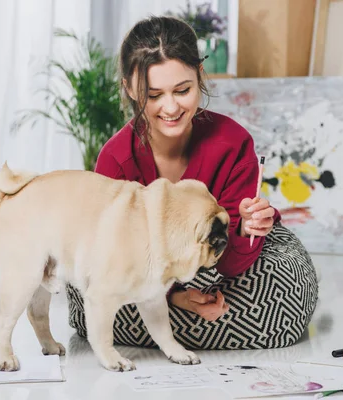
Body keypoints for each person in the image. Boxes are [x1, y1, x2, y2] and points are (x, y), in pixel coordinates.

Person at [66, 15, 318, 350]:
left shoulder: (233, 142)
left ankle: (166, 328)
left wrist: (245, 228)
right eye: (153, 95)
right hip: (145, 272)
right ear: (129, 88)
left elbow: (229, 265)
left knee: (282, 280)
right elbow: (113, 258)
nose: (170, 107)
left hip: (223, 264)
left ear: (199, 76)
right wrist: (174, 296)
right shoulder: (115, 158)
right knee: (94, 286)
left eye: (182, 90)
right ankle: (188, 322)